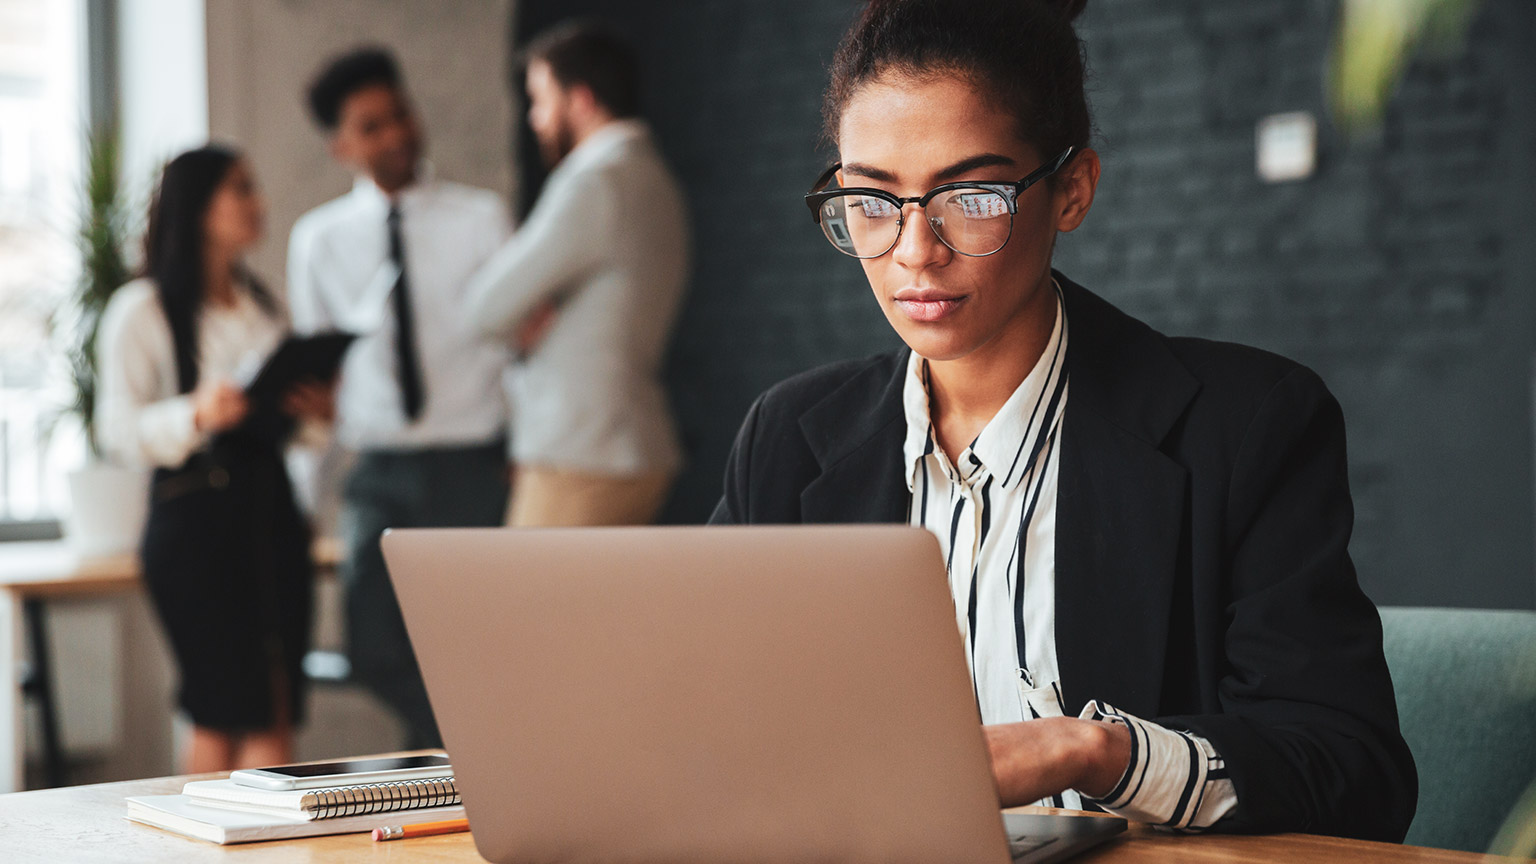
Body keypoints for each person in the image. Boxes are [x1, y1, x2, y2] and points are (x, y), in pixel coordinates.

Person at [710, 0, 1417, 841]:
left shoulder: (1247, 426)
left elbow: (1353, 771)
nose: (914, 250)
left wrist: (1087, 752)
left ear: (1071, 189)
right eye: (872, 200)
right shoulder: (788, 441)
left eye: (969, 196)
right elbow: (703, 723)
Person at [288, 47, 513, 749]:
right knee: (374, 649)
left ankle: (463, 772)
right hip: (378, 472)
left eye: (401, 114)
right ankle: (465, 749)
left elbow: (516, 348)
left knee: (480, 648)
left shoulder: (480, 217)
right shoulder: (318, 241)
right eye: (373, 125)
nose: (397, 134)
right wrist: (305, 498)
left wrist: (524, 452)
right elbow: (314, 386)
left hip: (471, 465)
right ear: (342, 146)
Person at [97, 146, 332, 772]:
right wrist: (196, 415)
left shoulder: (263, 305)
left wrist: (315, 413)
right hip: (196, 524)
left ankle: (269, 846)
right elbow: (116, 430)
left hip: (270, 516)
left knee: (276, 701)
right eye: (241, 189)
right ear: (198, 206)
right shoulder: (141, 310)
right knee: (221, 705)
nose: (258, 203)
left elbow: (295, 437)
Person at [464, 21, 689, 527]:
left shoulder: (594, 181)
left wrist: (529, 319)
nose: (535, 119)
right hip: (633, 441)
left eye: (541, 100)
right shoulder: (655, 177)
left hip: (580, 450)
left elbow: (487, 306)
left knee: (522, 606)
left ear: (581, 99)